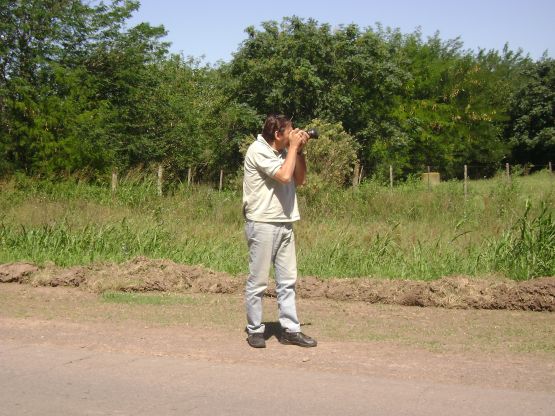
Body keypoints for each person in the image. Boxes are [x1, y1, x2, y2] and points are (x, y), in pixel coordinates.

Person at [242, 114, 317, 349]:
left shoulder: (286, 152)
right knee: (259, 281)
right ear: (277, 134)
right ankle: (255, 330)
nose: (294, 134)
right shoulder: (258, 150)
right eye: (290, 131)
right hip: (262, 222)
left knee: (287, 281)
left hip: (284, 221)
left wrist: (299, 151)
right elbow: (284, 176)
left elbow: (299, 179)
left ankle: (290, 330)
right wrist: (293, 147)